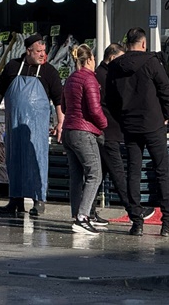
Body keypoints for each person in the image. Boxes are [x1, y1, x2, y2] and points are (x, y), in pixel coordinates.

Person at [0, 33, 63, 217]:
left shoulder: (49, 72)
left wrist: (61, 121)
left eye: (44, 51)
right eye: (39, 51)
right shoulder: (12, 66)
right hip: (14, 125)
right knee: (14, 160)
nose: (42, 54)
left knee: (37, 160)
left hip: (36, 129)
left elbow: (59, 99)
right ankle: (15, 200)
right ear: (28, 51)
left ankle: (39, 200)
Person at [106, 27, 169, 236]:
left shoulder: (115, 67)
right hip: (154, 124)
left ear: (126, 44)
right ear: (143, 44)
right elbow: (165, 88)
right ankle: (167, 223)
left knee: (133, 171)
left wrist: (122, 117)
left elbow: (110, 98)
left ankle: (136, 221)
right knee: (162, 171)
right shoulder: (151, 62)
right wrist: (166, 114)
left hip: (130, 126)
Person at [93, 44, 154, 226]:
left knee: (99, 174)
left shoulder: (102, 74)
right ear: (111, 58)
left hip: (107, 131)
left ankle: (87, 210)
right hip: (108, 132)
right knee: (118, 173)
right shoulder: (105, 76)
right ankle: (134, 210)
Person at [62, 44, 107, 235]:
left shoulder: (70, 79)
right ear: (89, 59)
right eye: (94, 59)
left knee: (76, 175)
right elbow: (95, 110)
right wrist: (104, 124)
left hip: (69, 131)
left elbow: (64, 107)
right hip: (84, 131)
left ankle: (77, 214)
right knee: (94, 173)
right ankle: (83, 217)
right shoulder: (90, 79)